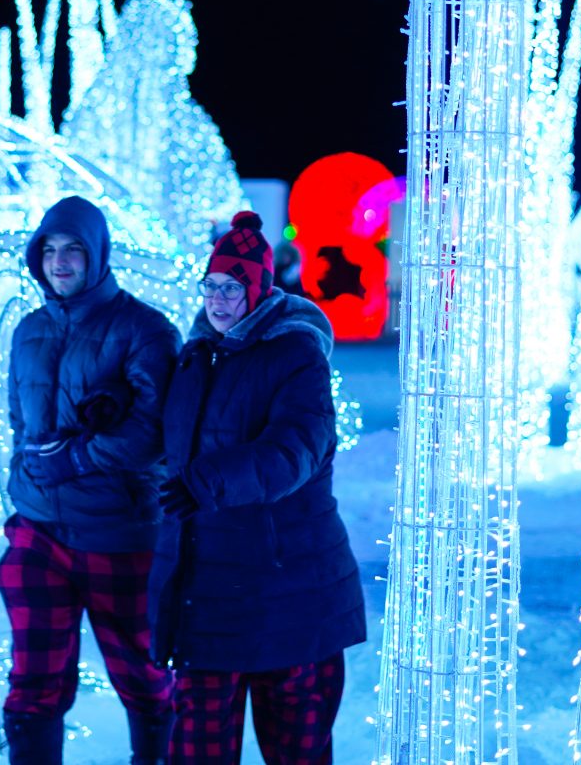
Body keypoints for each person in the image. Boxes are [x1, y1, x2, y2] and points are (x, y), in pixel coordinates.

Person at [149, 211, 365, 765]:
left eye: (233, 287)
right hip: (209, 595)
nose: (219, 300)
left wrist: (206, 481)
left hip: (289, 592)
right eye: (211, 287)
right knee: (197, 751)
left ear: (261, 287)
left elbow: (296, 450)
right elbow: (166, 440)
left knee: (296, 752)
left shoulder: (296, 355)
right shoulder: (196, 356)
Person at [0, 196, 183, 765]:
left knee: (144, 677)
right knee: (33, 681)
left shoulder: (146, 330)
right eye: (49, 250)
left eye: (73, 249)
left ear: (97, 254)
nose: (60, 262)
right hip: (38, 531)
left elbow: (154, 433)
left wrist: (72, 461)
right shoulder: (28, 330)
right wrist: (26, 484)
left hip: (118, 532)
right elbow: (18, 422)